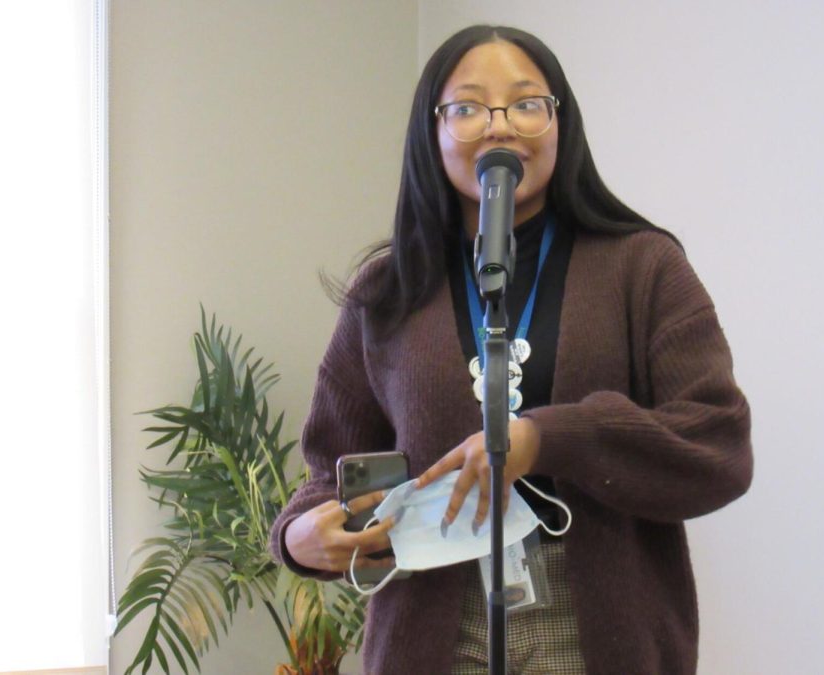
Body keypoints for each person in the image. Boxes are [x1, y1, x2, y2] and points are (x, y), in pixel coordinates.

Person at [270, 24, 752, 674]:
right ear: (432, 132)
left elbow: (718, 446)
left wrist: (550, 439)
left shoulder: (644, 267)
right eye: (467, 108)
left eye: (526, 103)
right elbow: (329, 470)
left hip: (600, 634)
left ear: (560, 123)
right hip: (432, 632)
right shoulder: (385, 292)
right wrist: (300, 537)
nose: (499, 127)